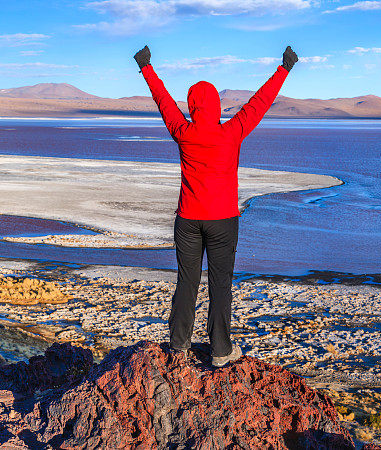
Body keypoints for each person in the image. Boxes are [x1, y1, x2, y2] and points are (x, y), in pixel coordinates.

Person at [134, 44, 299, 367]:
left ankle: (178, 346)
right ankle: (221, 350)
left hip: (188, 220)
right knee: (220, 284)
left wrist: (146, 68)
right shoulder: (232, 132)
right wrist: (284, 69)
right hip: (223, 220)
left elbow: (163, 101)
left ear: (193, 107)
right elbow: (259, 103)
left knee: (187, 281)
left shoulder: (183, 132)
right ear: (217, 107)